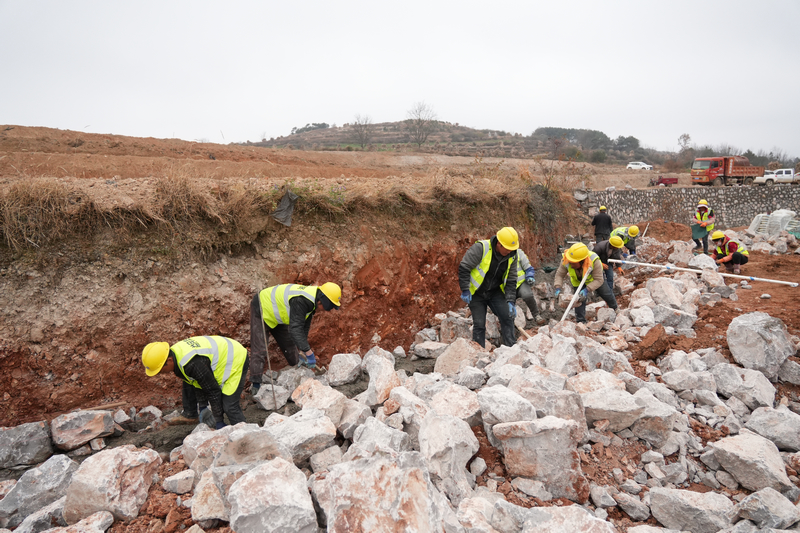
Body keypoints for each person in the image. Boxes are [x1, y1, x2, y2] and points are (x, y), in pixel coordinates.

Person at [249, 282, 341, 394]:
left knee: (289, 344)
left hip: (277, 315)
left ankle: (297, 366)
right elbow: (295, 329)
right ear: (322, 301)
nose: (326, 310)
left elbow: (303, 329)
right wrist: (309, 352)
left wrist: (302, 349)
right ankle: (256, 385)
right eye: (328, 307)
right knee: (260, 349)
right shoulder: (301, 301)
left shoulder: (312, 302)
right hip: (262, 308)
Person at [141, 336, 249, 429]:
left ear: (169, 361)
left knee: (229, 406)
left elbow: (212, 391)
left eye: (160, 369)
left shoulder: (192, 363)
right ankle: (190, 414)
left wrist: (218, 420)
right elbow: (196, 382)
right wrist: (203, 407)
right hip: (220, 355)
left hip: (235, 358)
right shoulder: (175, 355)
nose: (160, 373)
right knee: (188, 382)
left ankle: (247, 436)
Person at [458, 227, 519, 347]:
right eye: (508, 249)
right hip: (477, 293)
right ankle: (479, 353)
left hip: (494, 291)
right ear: (499, 244)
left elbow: (511, 279)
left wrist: (511, 300)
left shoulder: (512, 255)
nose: (510, 251)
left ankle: (511, 348)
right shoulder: (481, 248)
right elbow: (464, 267)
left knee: (507, 317)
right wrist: (465, 289)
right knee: (479, 324)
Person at [554, 242, 618, 323]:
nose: (571, 264)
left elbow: (599, 280)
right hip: (578, 281)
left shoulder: (594, 260)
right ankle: (581, 322)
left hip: (594, 280)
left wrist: (587, 290)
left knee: (607, 294)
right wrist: (557, 287)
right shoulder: (567, 259)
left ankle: (615, 309)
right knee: (578, 300)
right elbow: (559, 275)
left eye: (573, 263)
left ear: (582, 261)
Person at [514, 248, 544, 325]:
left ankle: (536, 315)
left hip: (520, 282)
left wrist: (529, 276)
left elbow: (528, 268)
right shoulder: (498, 257)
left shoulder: (519, 253)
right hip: (506, 286)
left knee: (527, 295)